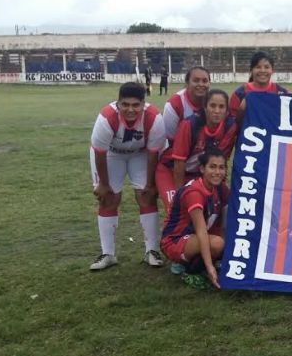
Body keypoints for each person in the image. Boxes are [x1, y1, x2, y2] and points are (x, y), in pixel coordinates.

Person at [89, 82, 166, 270]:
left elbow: (153, 152)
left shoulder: (154, 117)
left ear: (143, 104)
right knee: (108, 199)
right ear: (118, 103)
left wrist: (150, 184)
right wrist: (104, 184)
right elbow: (99, 152)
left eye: (135, 105)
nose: (130, 110)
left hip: (140, 154)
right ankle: (108, 254)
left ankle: (152, 251)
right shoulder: (106, 117)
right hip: (111, 154)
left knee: (146, 196)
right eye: (125, 104)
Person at [161, 148, 229, 289]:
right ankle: (191, 271)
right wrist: (210, 267)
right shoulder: (195, 192)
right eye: (212, 167)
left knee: (224, 241)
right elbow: (201, 231)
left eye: (221, 168)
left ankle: (203, 262)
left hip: (196, 236)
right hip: (175, 240)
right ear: (202, 169)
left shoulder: (220, 188)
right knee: (217, 243)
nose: (217, 172)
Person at [157, 66, 210, 212]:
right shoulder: (175, 105)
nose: (201, 84)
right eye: (196, 80)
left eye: (205, 80)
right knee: (176, 209)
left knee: (203, 209)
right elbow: (173, 144)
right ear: (187, 83)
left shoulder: (213, 104)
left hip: (197, 169)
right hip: (173, 166)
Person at [230, 52, 289, 122]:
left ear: (272, 70)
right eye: (258, 67)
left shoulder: (282, 93)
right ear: (251, 70)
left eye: (266, 67)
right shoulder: (239, 94)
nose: (262, 71)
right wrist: (241, 110)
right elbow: (231, 124)